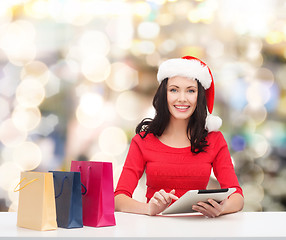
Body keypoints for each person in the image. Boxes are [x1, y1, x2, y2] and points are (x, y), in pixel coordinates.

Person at [114, 56, 244, 218]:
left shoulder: (214, 139)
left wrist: (221, 209)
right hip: (154, 229)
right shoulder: (143, 140)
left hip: (198, 229)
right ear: (164, 94)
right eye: (174, 90)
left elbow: (237, 196)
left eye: (190, 90)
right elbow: (119, 199)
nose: (182, 98)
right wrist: (149, 208)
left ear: (199, 96)